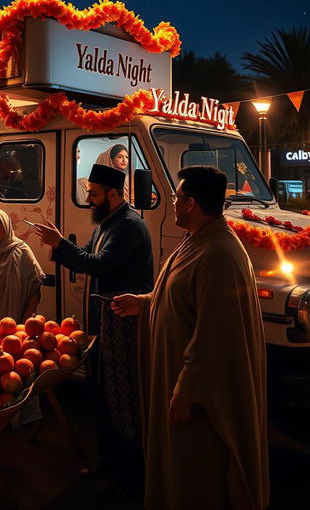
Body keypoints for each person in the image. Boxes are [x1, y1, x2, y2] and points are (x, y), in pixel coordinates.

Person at [112, 166, 269, 509]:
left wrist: (188, 390)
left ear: (192, 203)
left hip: (200, 398)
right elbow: (182, 296)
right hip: (179, 382)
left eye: (177, 197)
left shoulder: (219, 253)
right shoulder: (197, 240)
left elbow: (215, 332)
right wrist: (144, 302)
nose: (173, 202)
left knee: (198, 472)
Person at [34, 163, 152, 491]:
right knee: (101, 391)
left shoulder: (129, 225)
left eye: (94, 193)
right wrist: (60, 244)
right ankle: (110, 460)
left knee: (123, 396)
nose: (89, 199)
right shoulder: (107, 224)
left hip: (123, 325)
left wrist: (60, 243)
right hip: (105, 323)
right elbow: (86, 254)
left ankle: (132, 473)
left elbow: (98, 264)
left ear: (113, 194)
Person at [0, 207, 45, 327]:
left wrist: (28, 316)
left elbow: (35, 288)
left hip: (19, 323)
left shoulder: (21, 250)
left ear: (6, 227)